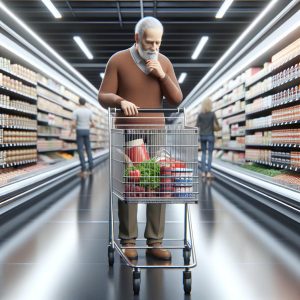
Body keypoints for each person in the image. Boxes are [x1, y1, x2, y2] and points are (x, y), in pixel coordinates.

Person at [98, 16, 183, 261]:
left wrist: (161, 76)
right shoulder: (118, 60)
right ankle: (128, 240)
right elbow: (103, 95)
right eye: (150, 42)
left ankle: (155, 240)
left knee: (159, 183)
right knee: (130, 183)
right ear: (137, 38)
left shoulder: (164, 63)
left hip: (156, 130)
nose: (154, 47)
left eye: (158, 42)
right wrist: (120, 101)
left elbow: (177, 99)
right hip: (128, 129)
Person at [196, 98, 220, 179]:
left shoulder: (200, 114)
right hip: (210, 135)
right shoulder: (212, 114)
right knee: (209, 154)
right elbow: (217, 124)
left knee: (203, 153)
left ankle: (203, 172)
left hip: (202, 136)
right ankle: (209, 173)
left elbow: (197, 125)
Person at [71, 98, 95, 177]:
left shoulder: (76, 111)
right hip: (86, 131)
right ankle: (91, 168)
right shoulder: (89, 111)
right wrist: (87, 126)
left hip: (79, 131)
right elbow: (93, 124)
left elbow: (73, 124)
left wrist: (72, 130)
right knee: (88, 149)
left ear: (79, 103)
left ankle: (84, 170)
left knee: (81, 150)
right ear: (85, 103)